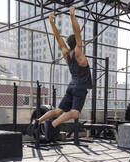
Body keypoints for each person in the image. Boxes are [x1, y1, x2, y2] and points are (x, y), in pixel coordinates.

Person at [32, 6, 92, 141]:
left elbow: (58, 38)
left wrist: (51, 22)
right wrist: (72, 16)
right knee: (75, 113)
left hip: (71, 86)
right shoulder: (78, 53)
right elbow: (78, 34)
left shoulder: (66, 54)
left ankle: (38, 120)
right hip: (80, 87)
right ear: (77, 44)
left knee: (59, 110)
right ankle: (52, 124)